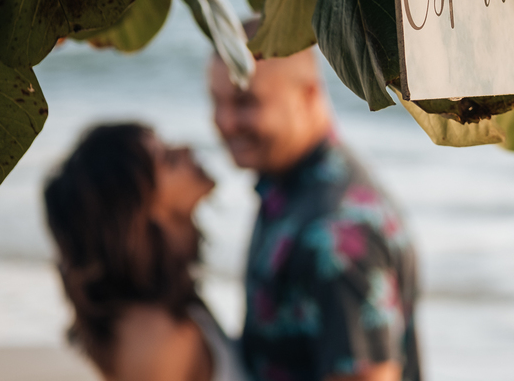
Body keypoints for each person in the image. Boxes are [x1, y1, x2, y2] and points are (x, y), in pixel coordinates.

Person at [209, 44, 420, 381]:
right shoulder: (288, 188)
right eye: (215, 101)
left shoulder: (335, 235)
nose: (225, 121)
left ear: (307, 95)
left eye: (245, 102)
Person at [43, 122, 245, 381]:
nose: (187, 148)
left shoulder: (165, 299)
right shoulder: (157, 343)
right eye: (168, 159)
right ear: (141, 214)